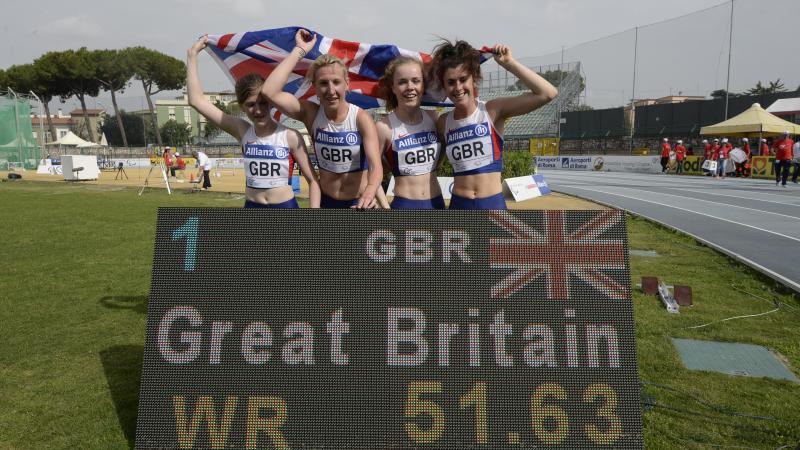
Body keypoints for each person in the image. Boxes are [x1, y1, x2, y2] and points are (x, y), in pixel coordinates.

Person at [187, 35, 320, 207]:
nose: (258, 110)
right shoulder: (242, 130)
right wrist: (192, 55)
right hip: (252, 208)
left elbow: (313, 181)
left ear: (271, 102)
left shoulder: (290, 136)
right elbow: (196, 101)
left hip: (285, 208)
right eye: (250, 105)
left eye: (263, 103)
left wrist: (315, 216)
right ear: (241, 107)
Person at [262, 29, 386, 209]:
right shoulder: (310, 113)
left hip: (359, 203)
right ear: (315, 87)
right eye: (323, 83)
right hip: (326, 202)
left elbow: (375, 166)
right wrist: (300, 50)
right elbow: (269, 92)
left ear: (346, 84)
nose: (330, 90)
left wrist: (369, 193)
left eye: (336, 82)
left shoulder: (360, 118)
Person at [430, 39, 557, 209]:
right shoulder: (443, 122)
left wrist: (509, 63)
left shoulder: (492, 111)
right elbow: (432, 165)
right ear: (444, 87)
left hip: (492, 205)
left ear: (473, 79)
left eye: (463, 79)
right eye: (451, 82)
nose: (458, 87)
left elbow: (547, 93)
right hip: (458, 206)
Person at [376, 56, 444, 209]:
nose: (410, 87)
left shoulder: (435, 118)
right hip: (404, 206)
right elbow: (370, 172)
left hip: (436, 204)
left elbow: (443, 149)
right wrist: (385, 208)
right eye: (402, 82)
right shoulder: (384, 127)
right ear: (393, 87)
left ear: (423, 86)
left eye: (416, 80)